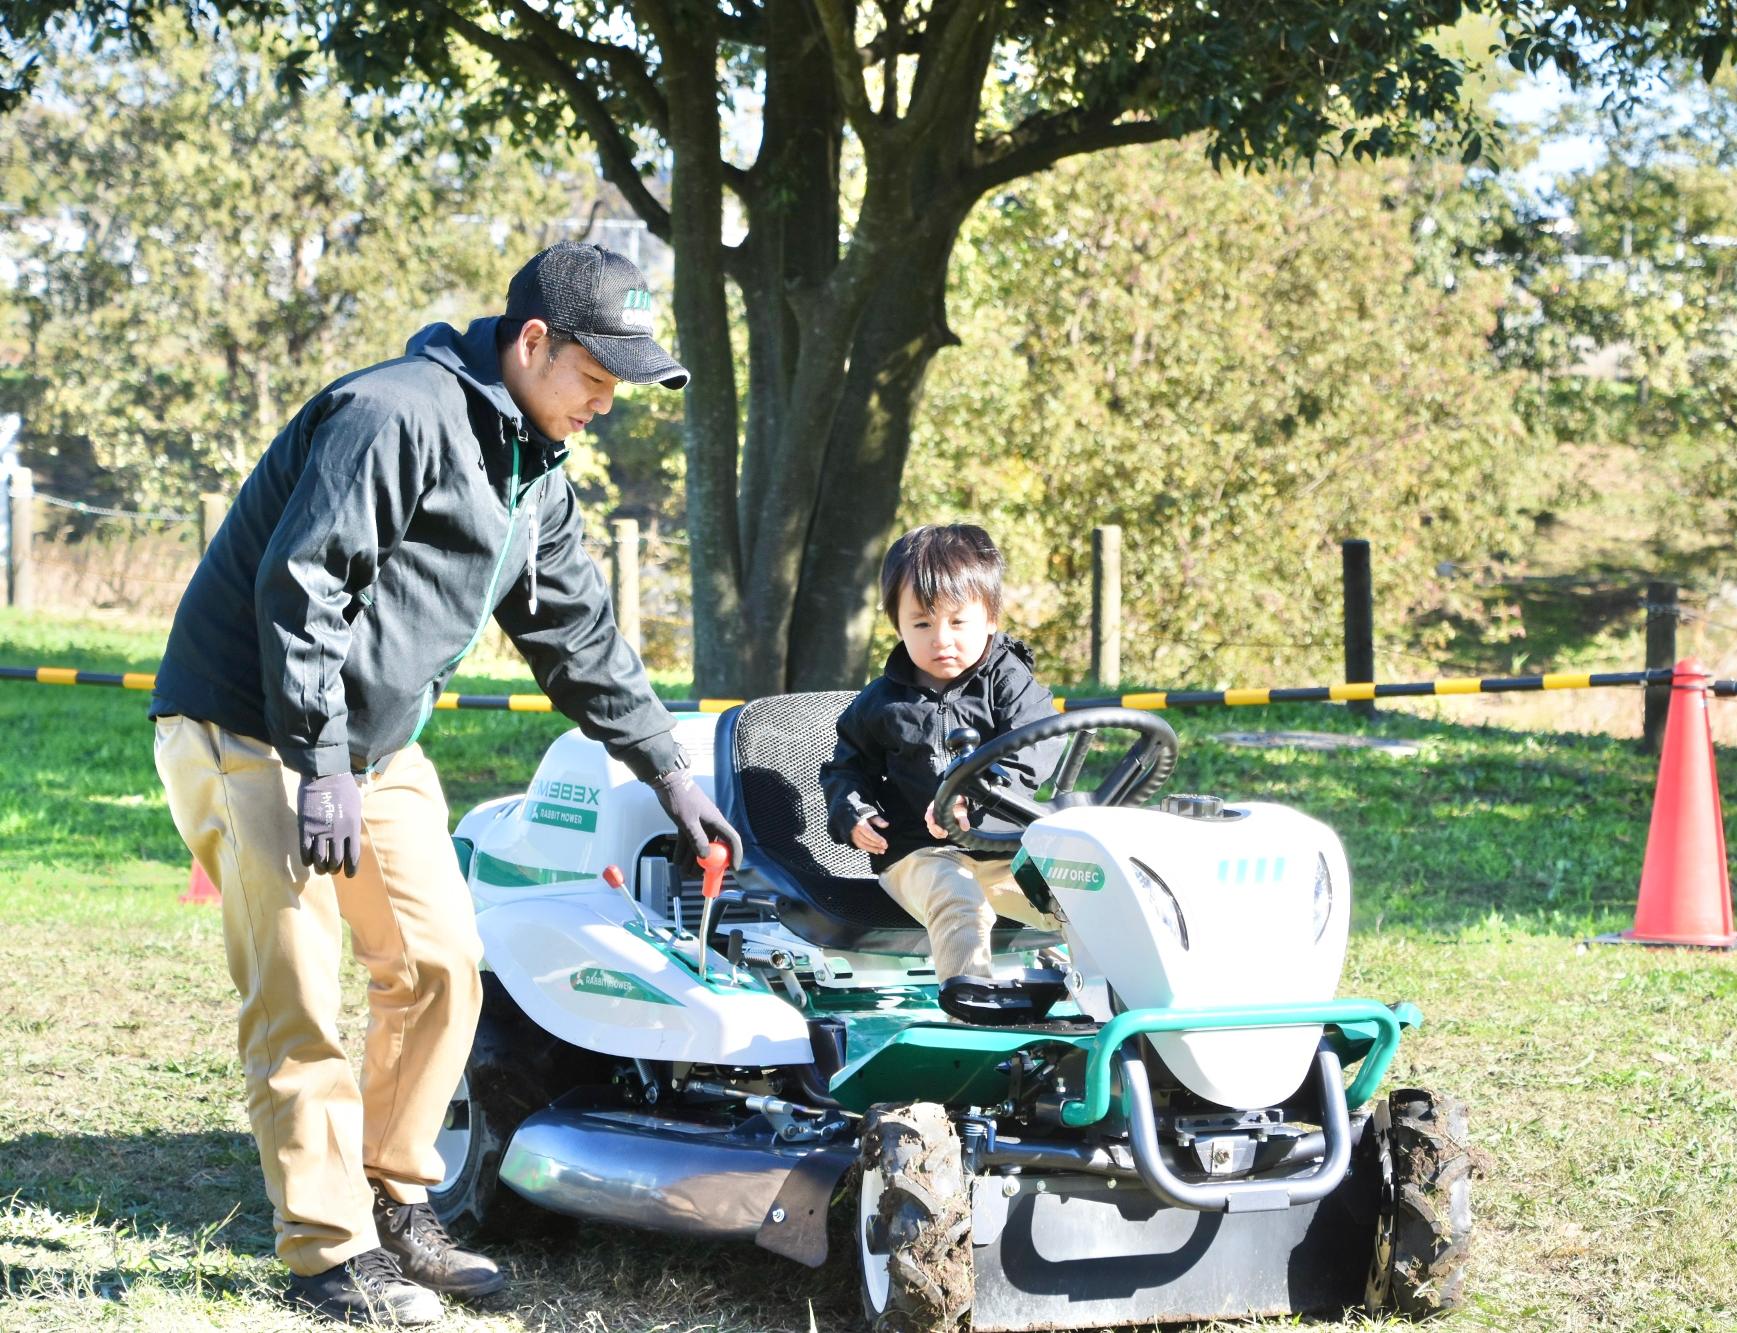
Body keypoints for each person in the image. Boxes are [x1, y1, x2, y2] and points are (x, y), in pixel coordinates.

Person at [149, 241, 743, 1325]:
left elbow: (574, 631)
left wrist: (665, 767)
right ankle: (330, 1255)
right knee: (296, 992)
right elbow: (304, 587)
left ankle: (391, 1197)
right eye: (596, 381)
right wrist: (320, 765)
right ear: (531, 344)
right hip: (247, 724)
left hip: (368, 742)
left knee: (440, 965)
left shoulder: (533, 470)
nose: (604, 407)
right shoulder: (394, 414)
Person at [821, 523, 1063, 983]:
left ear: (990, 618)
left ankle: (1111, 1001)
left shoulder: (1008, 682)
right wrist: (854, 813)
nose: (941, 639)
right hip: (919, 854)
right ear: (897, 625)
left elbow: (1038, 740)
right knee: (958, 897)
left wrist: (976, 797)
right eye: (922, 624)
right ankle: (970, 1007)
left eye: (957, 622)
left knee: (1079, 896)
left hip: (1003, 848)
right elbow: (845, 769)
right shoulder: (881, 703)